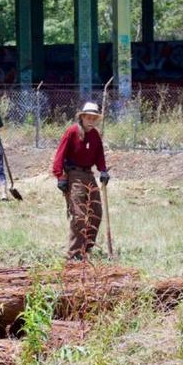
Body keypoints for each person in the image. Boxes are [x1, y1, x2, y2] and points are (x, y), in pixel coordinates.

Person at [52, 102, 110, 260]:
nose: (91, 120)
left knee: (96, 212)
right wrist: (60, 176)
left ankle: (87, 247)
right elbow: (60, 154)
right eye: (88, 117)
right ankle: (74, 253)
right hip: (74, 174)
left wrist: (103, 170)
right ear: (82, 117)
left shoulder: (95, 135)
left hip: (89, 175)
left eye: (94, 118)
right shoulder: (72, 131)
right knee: (79, 215)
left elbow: (99, 155)